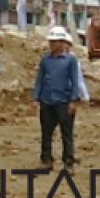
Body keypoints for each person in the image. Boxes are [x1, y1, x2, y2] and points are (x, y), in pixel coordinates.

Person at [32, 26, 83, 171]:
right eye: (51, 42)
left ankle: (68, 162)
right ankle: (46, 160)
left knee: (66, 133)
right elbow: (40, 80)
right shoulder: (45, 60)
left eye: (55, 42)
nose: (52, 44)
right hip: (47, 100)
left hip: (63, 101)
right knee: (46, 132)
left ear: (62, 43)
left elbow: (74, 81)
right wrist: (36, 98)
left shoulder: (70, 61)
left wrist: (73, 100)